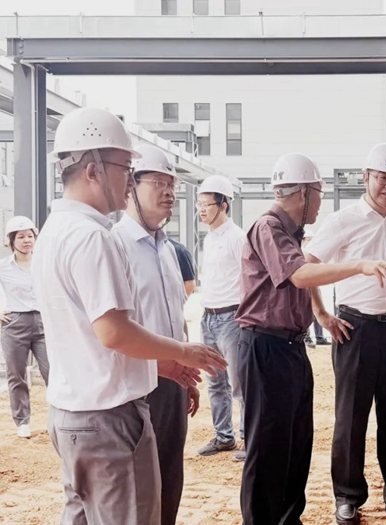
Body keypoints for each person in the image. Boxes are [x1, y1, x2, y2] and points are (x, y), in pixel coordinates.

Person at [33, 107, 227, 524]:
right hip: (108, 418)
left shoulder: (54, 231)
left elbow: (91, 337)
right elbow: (114, 332)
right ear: (93, 170)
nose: (127, 180)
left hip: (73, 414)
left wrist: (167, 364)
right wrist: (183, 351)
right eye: (125, 168)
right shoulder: (95, 237)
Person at [235, 152, 386, 525]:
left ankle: (288, 519)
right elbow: (300, 275)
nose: (321, 202)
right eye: (319, 193)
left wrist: (322, 315)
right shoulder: (268, 227)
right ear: (303, 193)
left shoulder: (292, 234)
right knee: (267, 446)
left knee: (296, 442)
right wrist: (360, 265)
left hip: (291, 347)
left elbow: (305, 274)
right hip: (265, 347)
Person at [305, 143, 386, 525]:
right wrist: (321, 313)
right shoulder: (343, 221)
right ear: (366, 177)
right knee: (351, 418)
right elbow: (308, 264)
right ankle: (347, 498)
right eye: (382, 177)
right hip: (356, 330)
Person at [112, 145, 200, 525]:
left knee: (170, 475)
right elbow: (112, 331)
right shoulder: (115, 245)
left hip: (172, 378)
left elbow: (175, 316)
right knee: (139, 487)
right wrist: (162, 363)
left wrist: (184, 374)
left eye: (172, 185)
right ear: (131, 186)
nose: (169, 193)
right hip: (136, 383)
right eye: (158, 183)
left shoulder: (168, 249)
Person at [196, 175, 247, 461]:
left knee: (239, 383)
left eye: (207, 204)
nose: (201, 209)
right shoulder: (209, 237)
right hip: (209, 317)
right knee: (215, 381)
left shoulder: (237, 238)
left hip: (231, 318)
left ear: (223, 205)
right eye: (199, 204)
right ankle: (224, 436)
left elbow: (250, 278)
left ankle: (249, 438)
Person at [0, 216, 48, 439]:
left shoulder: (44, 262)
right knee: (16, 374)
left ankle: (59, 417)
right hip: (14, 323)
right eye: (21, 237)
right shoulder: (3, 267)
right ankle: (22, 422)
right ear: (11, 241)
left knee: (53, 371)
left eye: (30, 236)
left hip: (43, 322)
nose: (27, 240)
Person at [301, 228, 330, 347]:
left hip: (314, 286)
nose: (311, 242)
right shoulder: (299, 252)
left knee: (318, 310)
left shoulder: (316, 253)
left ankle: (319, 337)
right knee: (305, 312)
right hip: (303, 287)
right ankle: (307, 337)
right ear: (303, 240)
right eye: (309, 239)